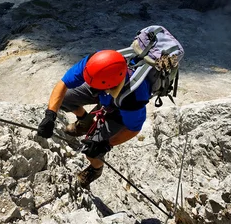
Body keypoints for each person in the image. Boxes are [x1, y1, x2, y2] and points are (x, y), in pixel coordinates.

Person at [37, 50, 151, 189]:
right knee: (65, 98)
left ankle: (95, 170)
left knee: (92, 152)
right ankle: (85, 122)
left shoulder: (134, 97)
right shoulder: (94, 63)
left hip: (120, 110)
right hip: (104, 90)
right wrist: (50, 115)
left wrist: (106, 144)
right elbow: (63, 84)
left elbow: (133, 129)